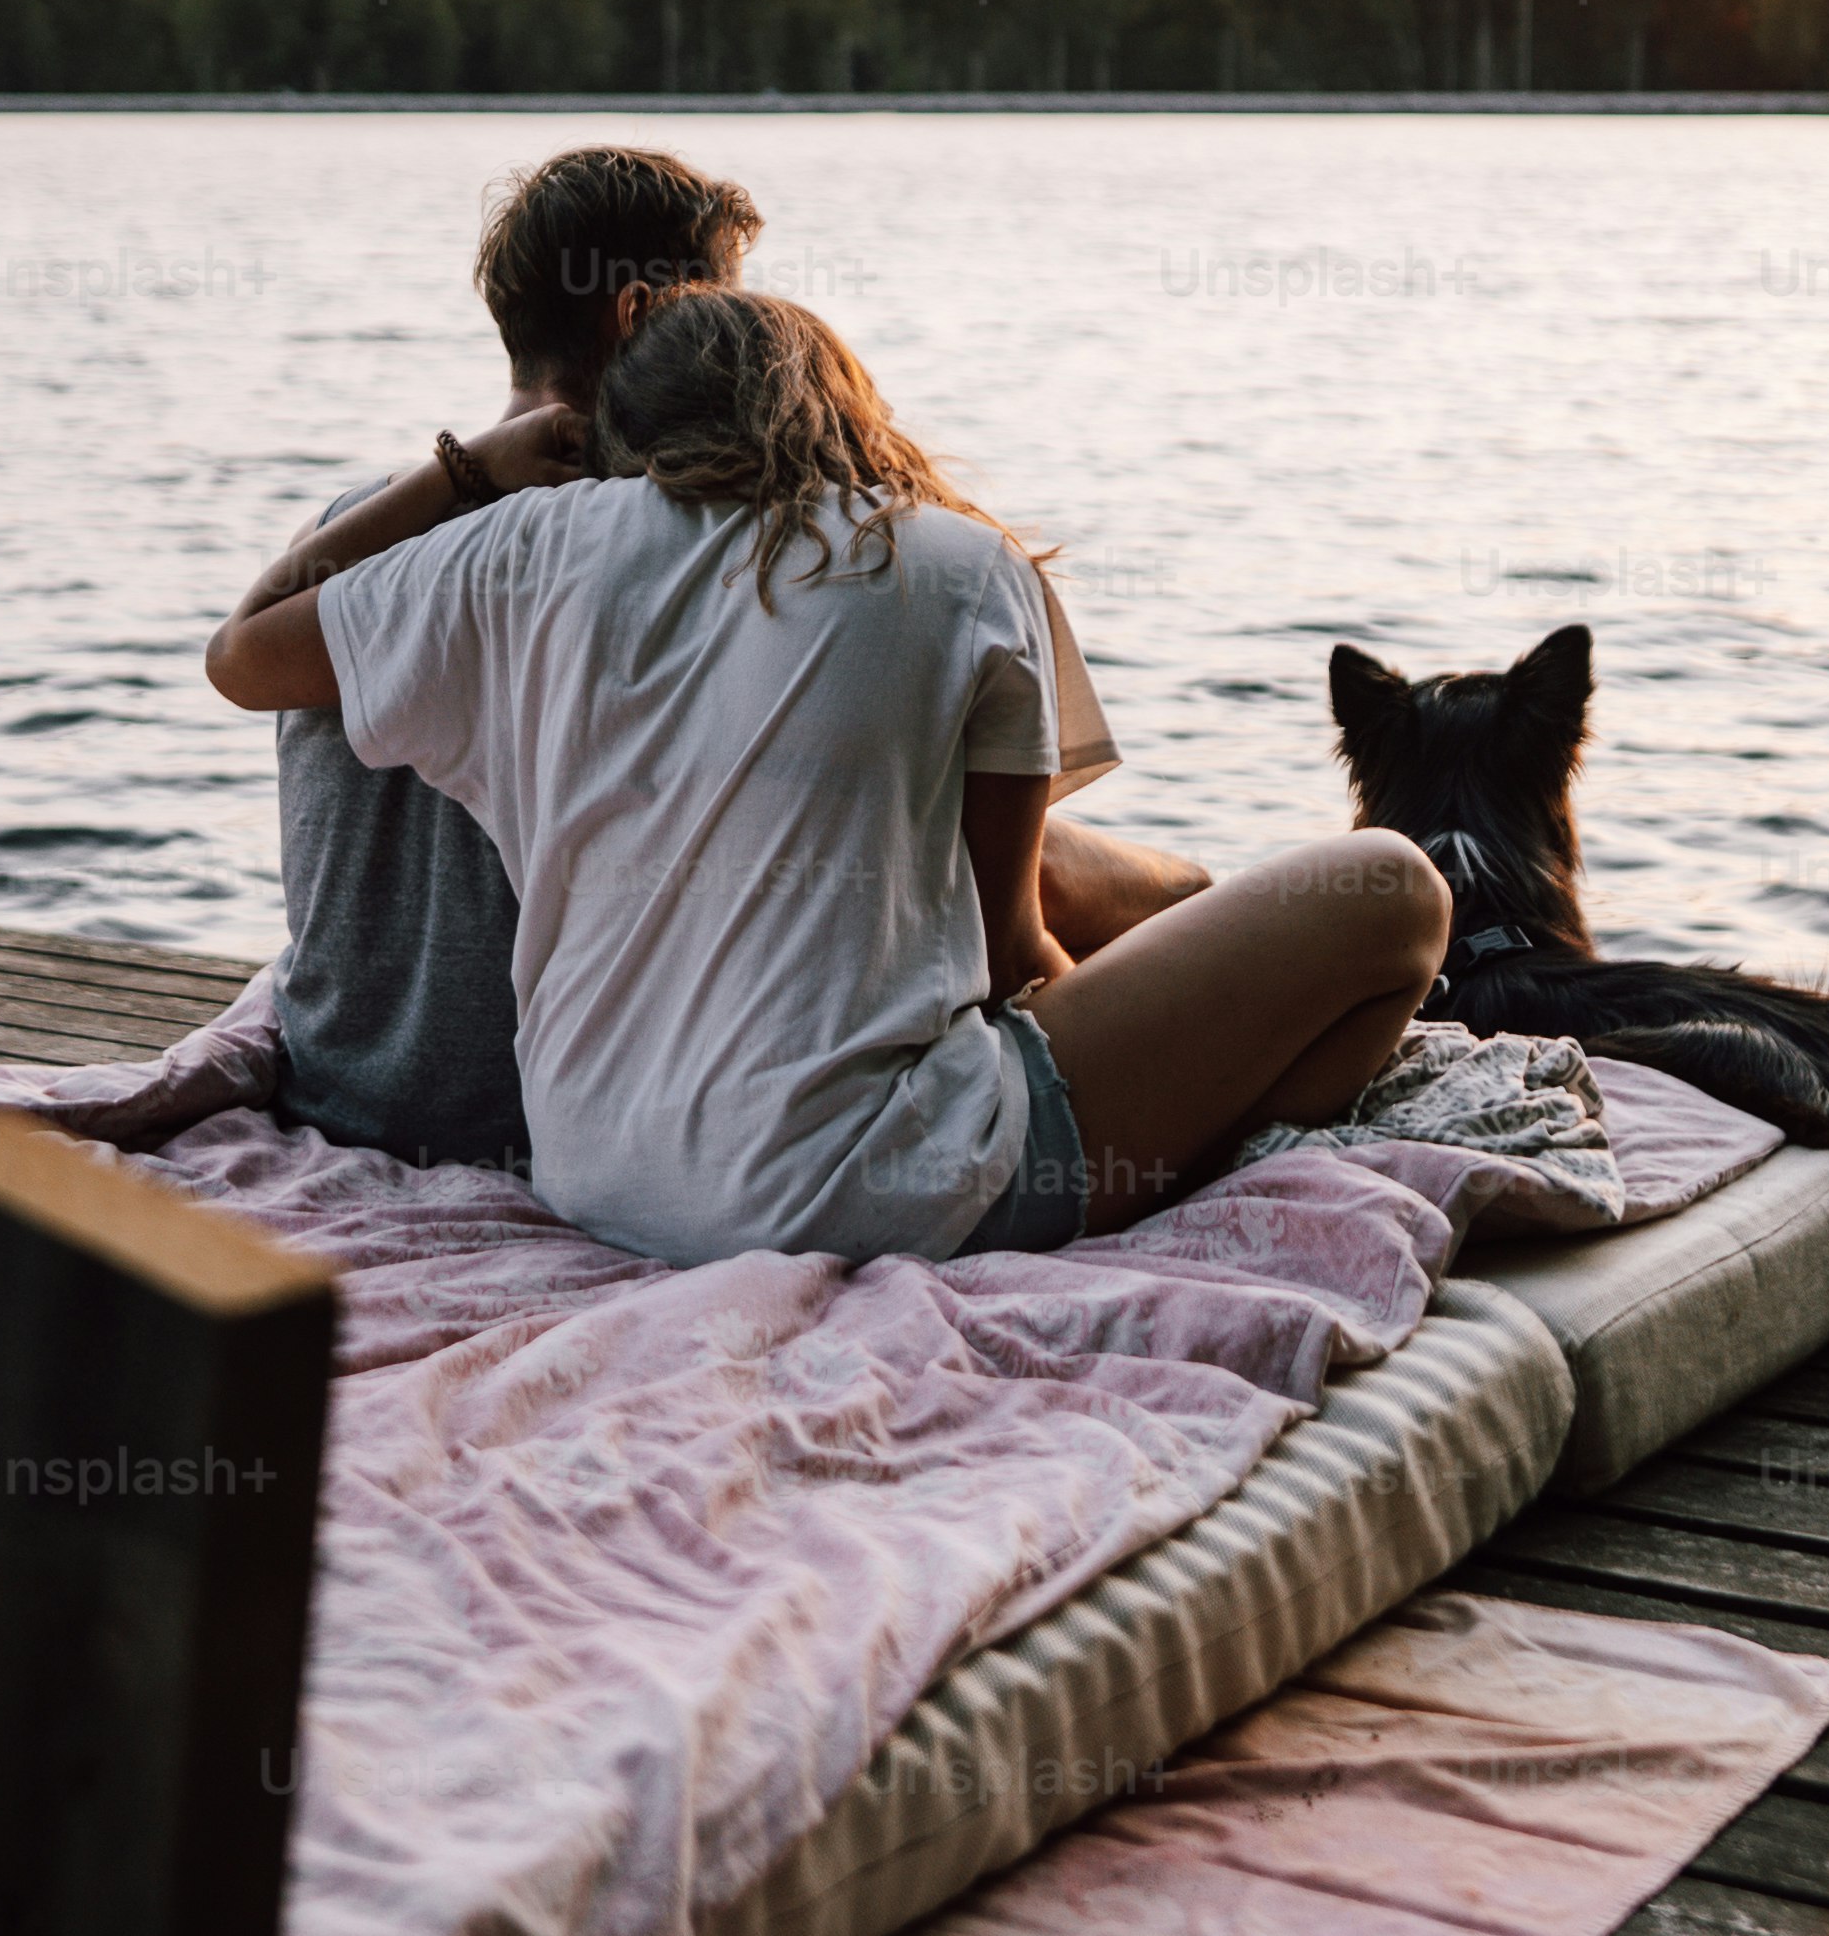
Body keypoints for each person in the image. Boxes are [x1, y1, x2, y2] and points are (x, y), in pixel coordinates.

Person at [204, 284, 1447, 1264]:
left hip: (593, 1175)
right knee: (1393, 891)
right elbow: (1016, 955)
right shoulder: (960, 566)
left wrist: (467, 471)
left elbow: (243, 648)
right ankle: (1203, 1165)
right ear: (846, 408)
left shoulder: (517, 550)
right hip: (864, 1193)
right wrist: (1165, 1057)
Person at [250, 147, 1196, 1171]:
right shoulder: (633, 548)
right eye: (728, 299)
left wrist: (455, 470)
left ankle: (1210, 922)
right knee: (1010, 857)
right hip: (531, 1103)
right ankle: (1223, 940)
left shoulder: (354, 537)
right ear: (642, 316)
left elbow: (241, 655)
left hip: (340, 1077)